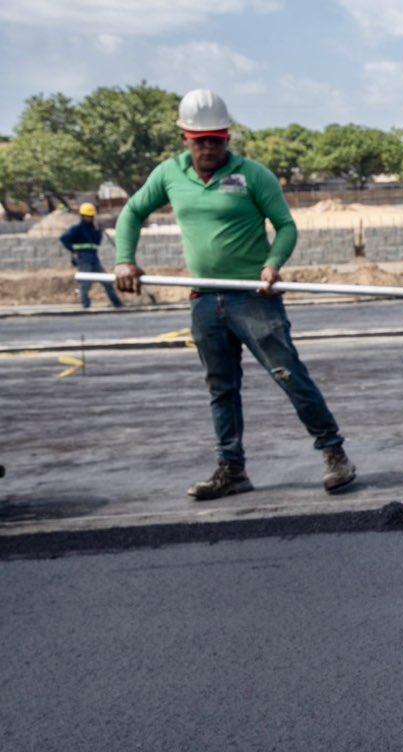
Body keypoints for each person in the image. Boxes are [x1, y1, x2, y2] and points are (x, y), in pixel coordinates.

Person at [113, 89, 355, 500]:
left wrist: (273, 264)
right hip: (205, 299)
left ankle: (335, 455)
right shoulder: (169, 174)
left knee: (289, 376)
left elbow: (286, 226)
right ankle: (232, 469)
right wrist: (124, 259)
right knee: (221, 388)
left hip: (253, 298)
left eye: (216, 139)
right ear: (185, 139)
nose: (208, 147)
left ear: (228, 137)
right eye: (199, 140)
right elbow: (132, 212)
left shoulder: (252, 175)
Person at [59, 203, 124, 309]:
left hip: (94, 258)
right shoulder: (77, 228)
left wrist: (99, 232)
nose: (89, 218)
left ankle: (118, 304)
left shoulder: (94, 229)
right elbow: (64, 238)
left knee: (107, 281)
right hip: (83, 258)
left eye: (91, 216)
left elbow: (97, 243)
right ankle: (85, 306)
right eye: (87, 216)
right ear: (82, 216)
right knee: (85, 283)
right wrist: (74, 250)